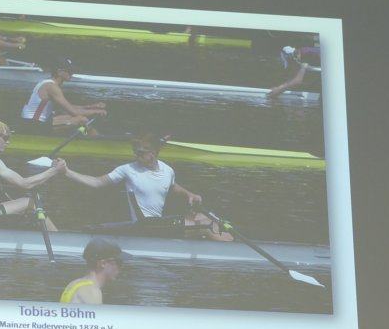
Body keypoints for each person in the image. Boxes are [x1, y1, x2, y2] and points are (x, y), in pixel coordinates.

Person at [64, 137, 232, 241]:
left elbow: (172, 186)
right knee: (203, 224)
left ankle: (231, 245)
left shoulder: (168, 170)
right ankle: (233, 251)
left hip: (159, 224)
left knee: (205, 216)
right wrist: (66, 172)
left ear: (151, 155)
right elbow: (97, 182)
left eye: (138, 153)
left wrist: (189, 194)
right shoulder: (128, 170)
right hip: (143, 225)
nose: (134, 157)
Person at [0, 118, 68, 222]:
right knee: (30, 203)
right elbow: (24, 184)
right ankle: (56, 238)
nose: (8, 142)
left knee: (19, 210)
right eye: (5, 138)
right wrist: (55, 170)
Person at [19, 60, 106, 128]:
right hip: (33, 124)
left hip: (36, 122)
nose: (72, 73)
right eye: (69, 71)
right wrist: (96, 111)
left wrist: (92, 106)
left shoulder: (48, 83)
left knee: (69, 116)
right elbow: (74, 112)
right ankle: (95, 143)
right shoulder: (51, 87)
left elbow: (69, 107)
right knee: (81, 119)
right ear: (59, 72)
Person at [61, 238, 122, 305]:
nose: (121, 267)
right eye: (119, 262)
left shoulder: (73, 284)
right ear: (103, 264)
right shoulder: (92, 292)